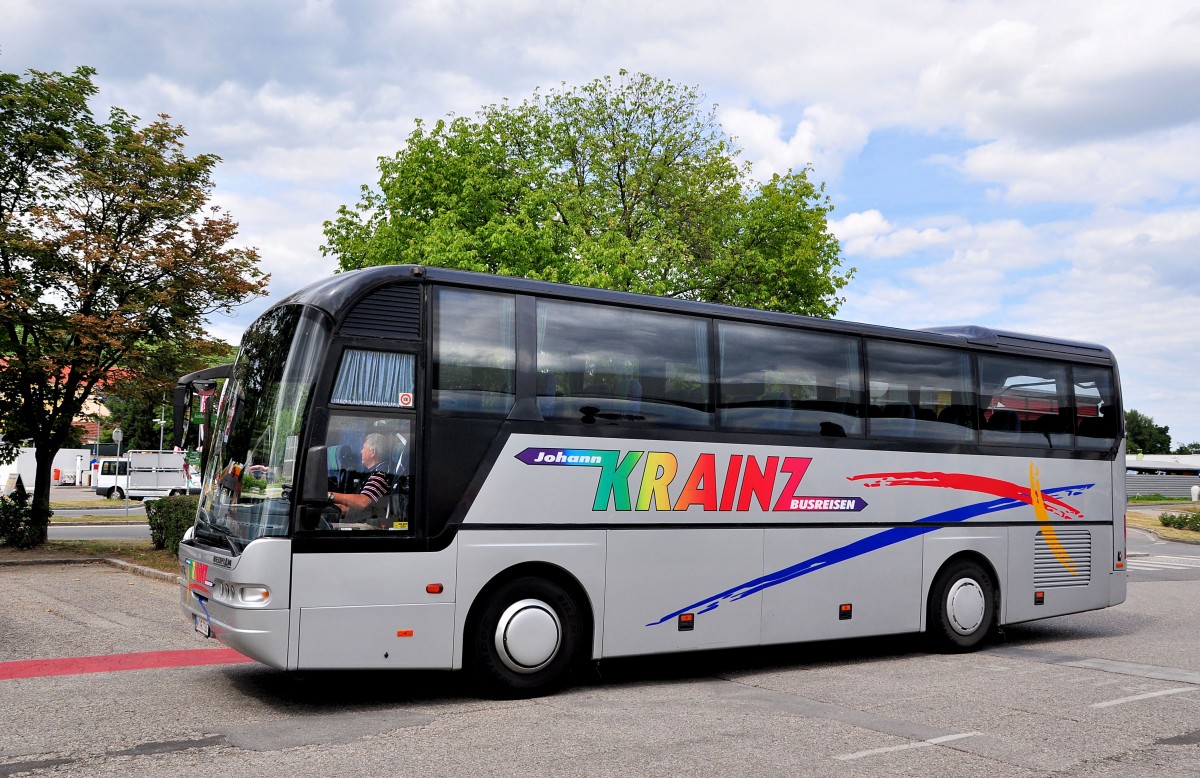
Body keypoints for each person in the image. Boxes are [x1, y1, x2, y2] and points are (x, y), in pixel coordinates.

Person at [327, 432, 391, 524]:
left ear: (372, 452)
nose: (361, 451)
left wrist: (331, 496)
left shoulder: (380, 474)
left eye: (364, 448)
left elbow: (363, 502)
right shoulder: (371, 473)